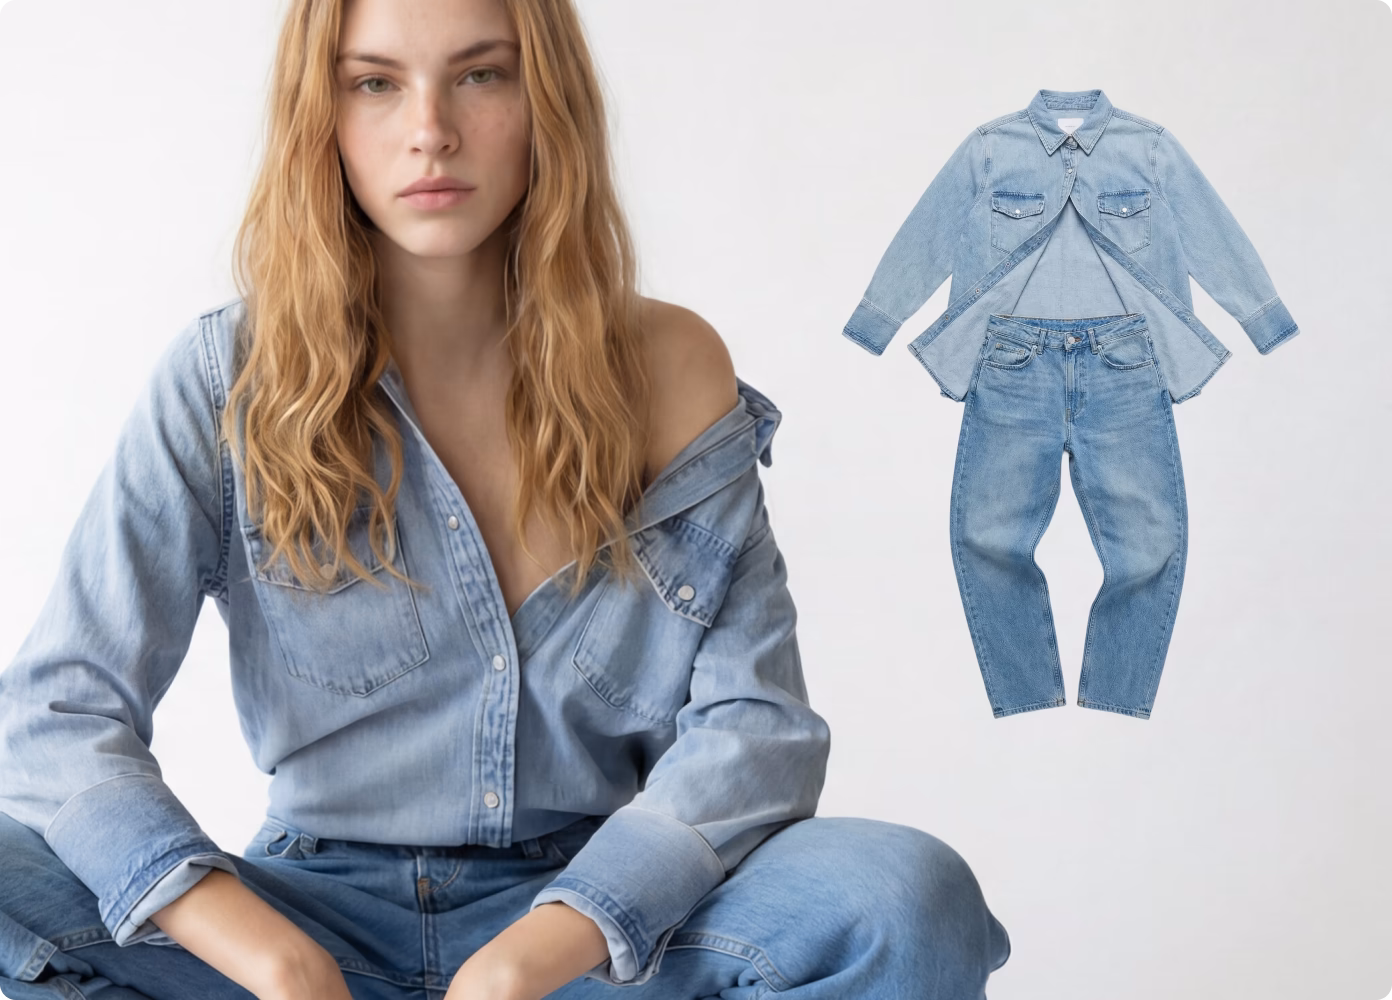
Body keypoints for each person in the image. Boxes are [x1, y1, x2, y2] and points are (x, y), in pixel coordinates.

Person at [0, 0, 1010, 997]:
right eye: (375, 83)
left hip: (601, 930)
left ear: (546, 100)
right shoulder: (225, 378)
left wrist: (536, 955)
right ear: (325, 113)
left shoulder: (670, 368)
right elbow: (57, 714)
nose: (429, 131)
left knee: (902, 896)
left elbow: (759, 729)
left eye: (481, 74)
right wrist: (281, 963)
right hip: (311, 914)